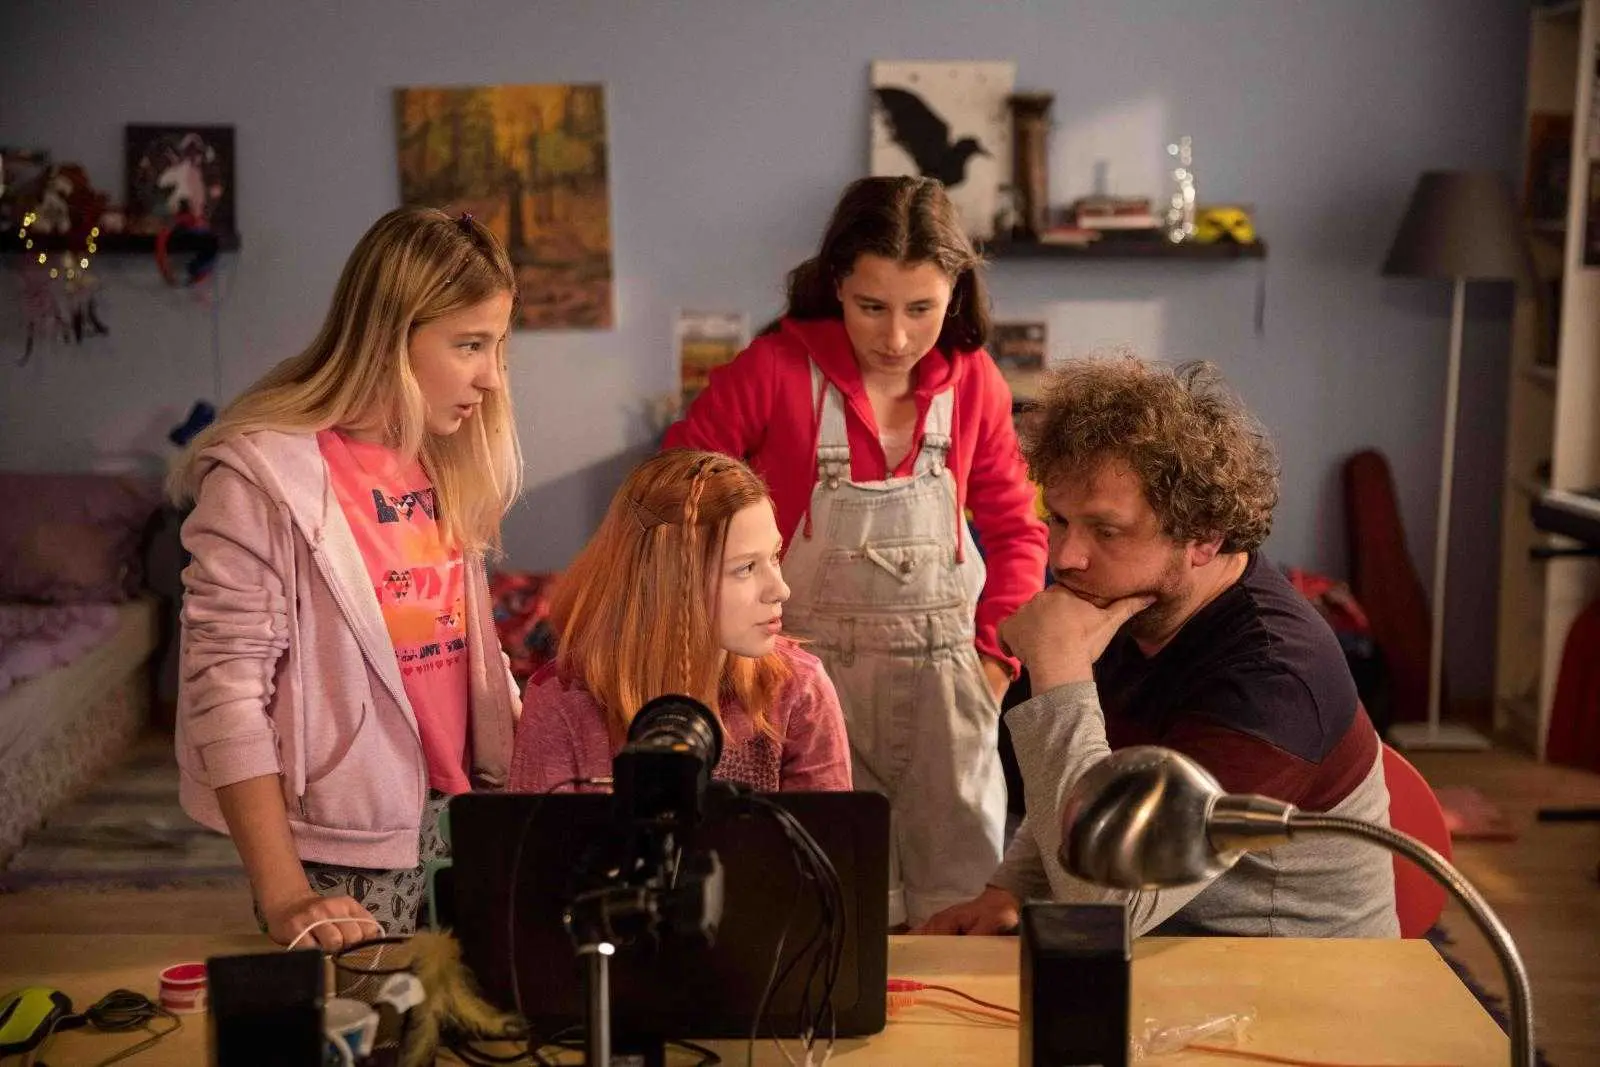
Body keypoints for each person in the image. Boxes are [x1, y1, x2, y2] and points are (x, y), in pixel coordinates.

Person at [663, 176, 1048, 926]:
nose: (896, 337)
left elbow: (1017, 530)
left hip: (951, 698)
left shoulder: (975, 382)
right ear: (837, 282)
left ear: (955, 292)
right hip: (805, 691)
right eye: (872, 306)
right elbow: (673, 499)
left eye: (921, 309)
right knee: (831, 911)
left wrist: (997, 661)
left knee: (962, 910)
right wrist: (732, 636)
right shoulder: (773, 370)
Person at [921, 355, 1400, 939]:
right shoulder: (1131, 603)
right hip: (1183, 952)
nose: (1064, 557)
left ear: (1205, 538)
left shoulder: (1274, 676)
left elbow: (1111, 903)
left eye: (1106, 530)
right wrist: (1010, 890)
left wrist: (1059, 670)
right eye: (1061, 521)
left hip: (1291, 976)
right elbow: (1091, 791)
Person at [169, 206, 524, 951]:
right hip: (345, 849)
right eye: (469, 344)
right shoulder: (262, 479)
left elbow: (457, 649)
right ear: (390, 334)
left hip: (465, 816)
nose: (492, 378)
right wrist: (285, 894)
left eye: (497, 346)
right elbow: (224, 695)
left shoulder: (442, 459)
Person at [509, 450, 852, 794]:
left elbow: (825, 830)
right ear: (669, 583)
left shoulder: (798, 691)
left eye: (774, 556)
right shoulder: (561, 702)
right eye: (746, 568)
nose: (781, 590)